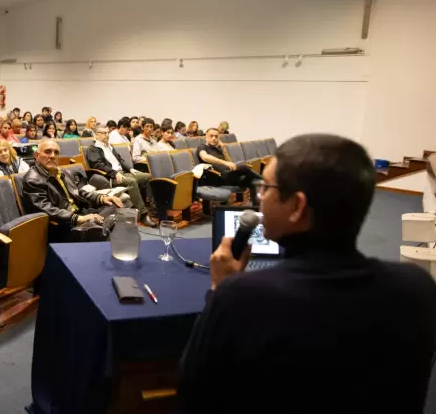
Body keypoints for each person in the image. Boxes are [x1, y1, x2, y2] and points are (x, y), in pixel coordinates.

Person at [177, 134, 436, 414]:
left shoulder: (242, 297)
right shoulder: (418, 287)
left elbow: (194, 393)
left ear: (297, 207)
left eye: (267, 188)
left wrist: (219, 288)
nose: (260, 197)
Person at [22, 139, 122, 242]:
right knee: (107, 222)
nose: (52, 156)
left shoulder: (63, 172)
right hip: (63, 223)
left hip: (80, 212)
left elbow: (78, 193)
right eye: (47, 151)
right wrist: (78, 219)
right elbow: (46, 209)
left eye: (56, 152)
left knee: (118, 204)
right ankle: (96, 226)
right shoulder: (32, 179)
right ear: (36, 155)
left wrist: (101, 198)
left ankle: (95, 225)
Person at [87, 127, 157, 227]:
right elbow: (98, 165)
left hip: (122, 172)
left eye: (107, 133)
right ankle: (143, 214)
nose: (107, 135)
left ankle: (153, 209)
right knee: (131, 181)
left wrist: (130, 169)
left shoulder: (109, 146)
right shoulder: (93, 149)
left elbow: (120, 160)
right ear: (96, 135)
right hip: (110, 177)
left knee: (147, 176)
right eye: (103, 133)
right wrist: (114, 173)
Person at [197, 127, 261, 205]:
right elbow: (205, 157)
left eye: (216, 136)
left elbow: (230, 163)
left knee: (251, 181)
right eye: (211, 136)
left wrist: (223, 148)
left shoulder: (218, 148)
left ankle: (255, 206)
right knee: (243, 167)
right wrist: (225, 163)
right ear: (206, 137)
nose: (214, 138)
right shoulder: (202, 147)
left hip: (227, 175)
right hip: (216, 176)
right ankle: (263, 179)